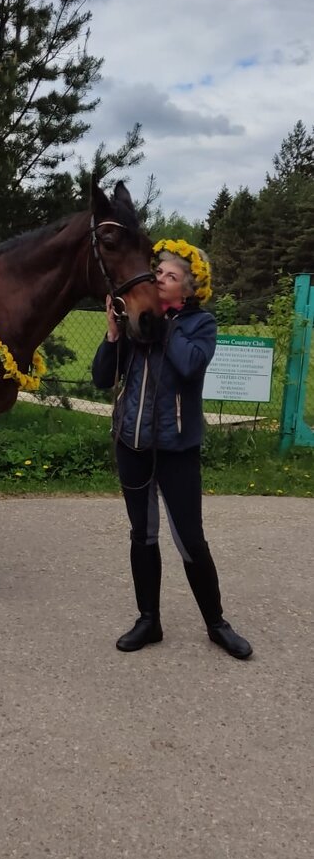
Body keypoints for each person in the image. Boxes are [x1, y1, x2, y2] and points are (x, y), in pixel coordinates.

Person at [92, 239, 252, 659]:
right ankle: (149, 620)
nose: (160, 279)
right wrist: (113, 334)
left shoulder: (200, 324)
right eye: (158, 272)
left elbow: (190, 366)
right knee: (142, 535)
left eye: (170, 275)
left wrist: (162, 323)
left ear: (188, 288)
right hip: (132, 445)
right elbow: (101, 377)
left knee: (190, 540)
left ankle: (217, 624)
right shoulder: (137, 318)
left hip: (176, 449)